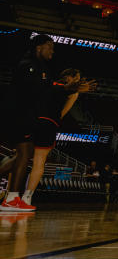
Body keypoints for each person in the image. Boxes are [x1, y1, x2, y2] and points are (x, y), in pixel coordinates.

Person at [22, 68, 96, 208]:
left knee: (20, 158)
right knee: (39, 163)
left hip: (30, 121)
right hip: (48, 123)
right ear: (69, 77)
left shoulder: (47, 82)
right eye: (77, 78)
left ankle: (11, 196)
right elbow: (62, 113)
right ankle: (26, 198)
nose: (78, 81)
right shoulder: (72, 92)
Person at [0, 35, 55, 212]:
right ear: (39, 48)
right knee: (24, 154)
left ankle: (12, 197)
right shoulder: (28, 65)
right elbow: (33, 92)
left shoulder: (40, 67)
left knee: (22, 155)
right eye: (49, 47)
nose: (52, 51)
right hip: (19, 116)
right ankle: (11, 199)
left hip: (26, 117)